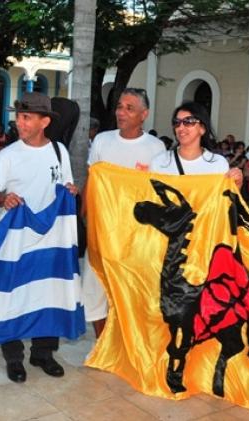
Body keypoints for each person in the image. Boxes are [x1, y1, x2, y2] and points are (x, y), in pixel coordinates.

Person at [0, 92, 77, 383]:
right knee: (14, 296)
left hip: (50, 239)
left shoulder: (60, 152)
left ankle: (44, 352)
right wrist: (5, 199)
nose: (19, 122)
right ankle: (14, 357)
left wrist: (71, 191)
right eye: (18, 116)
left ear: (44, 121)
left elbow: (66, 185)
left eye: (26, 117)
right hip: (16, 239)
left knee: (47, 293)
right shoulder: (8, 155)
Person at [82, 88, 165, 338]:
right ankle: (103, 345)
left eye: (129, 108)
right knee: (94, 289)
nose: (121, 112)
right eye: (119, 106)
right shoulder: (102, 141)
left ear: (144, 114)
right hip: (102, 230)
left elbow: (158, 193)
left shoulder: (156, 147)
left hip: (137, 235)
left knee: (132, 292)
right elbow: (91, 180)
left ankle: (128, 346)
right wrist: (84, 216)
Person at [150, 102, 243, 188]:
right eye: (176, 122)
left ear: (202, 128)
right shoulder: (160, 162)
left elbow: (224, 202)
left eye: (188, 121)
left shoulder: (218, 164)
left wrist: (236, 186)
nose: (181, 127)